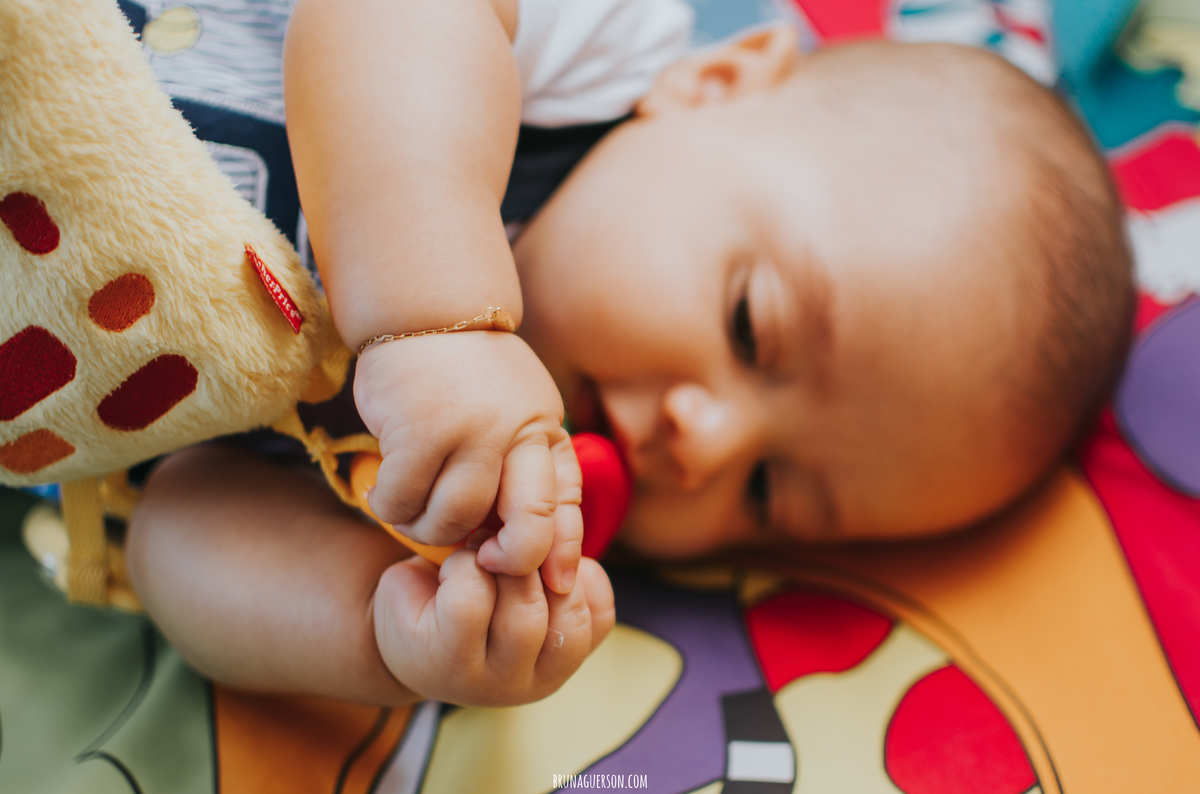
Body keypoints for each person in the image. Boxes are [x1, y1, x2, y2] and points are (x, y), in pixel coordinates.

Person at [126, 0, 1133, 708]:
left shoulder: (473, 520)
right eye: (752, 324)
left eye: (768, 488)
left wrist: (379, 628)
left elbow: (170, 520)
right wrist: (432, 319)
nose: (703, 443)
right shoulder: (587, 66)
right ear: (715, 83)